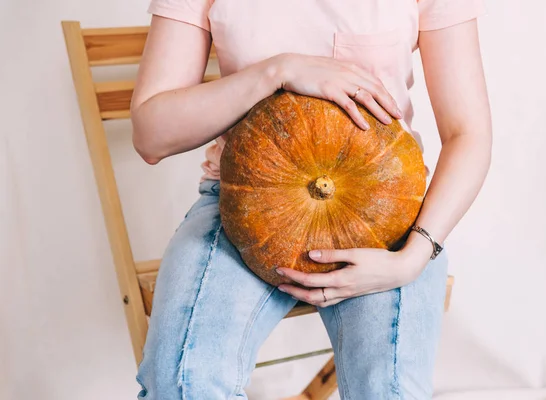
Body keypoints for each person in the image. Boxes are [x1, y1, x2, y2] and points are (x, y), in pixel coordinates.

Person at [131, 0, 492, 398]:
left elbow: (468, 133)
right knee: (180, 381)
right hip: (243, 203)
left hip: (387, 213)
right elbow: (151, 135)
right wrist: (279, 71)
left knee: (391, 392)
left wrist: (414, 256)